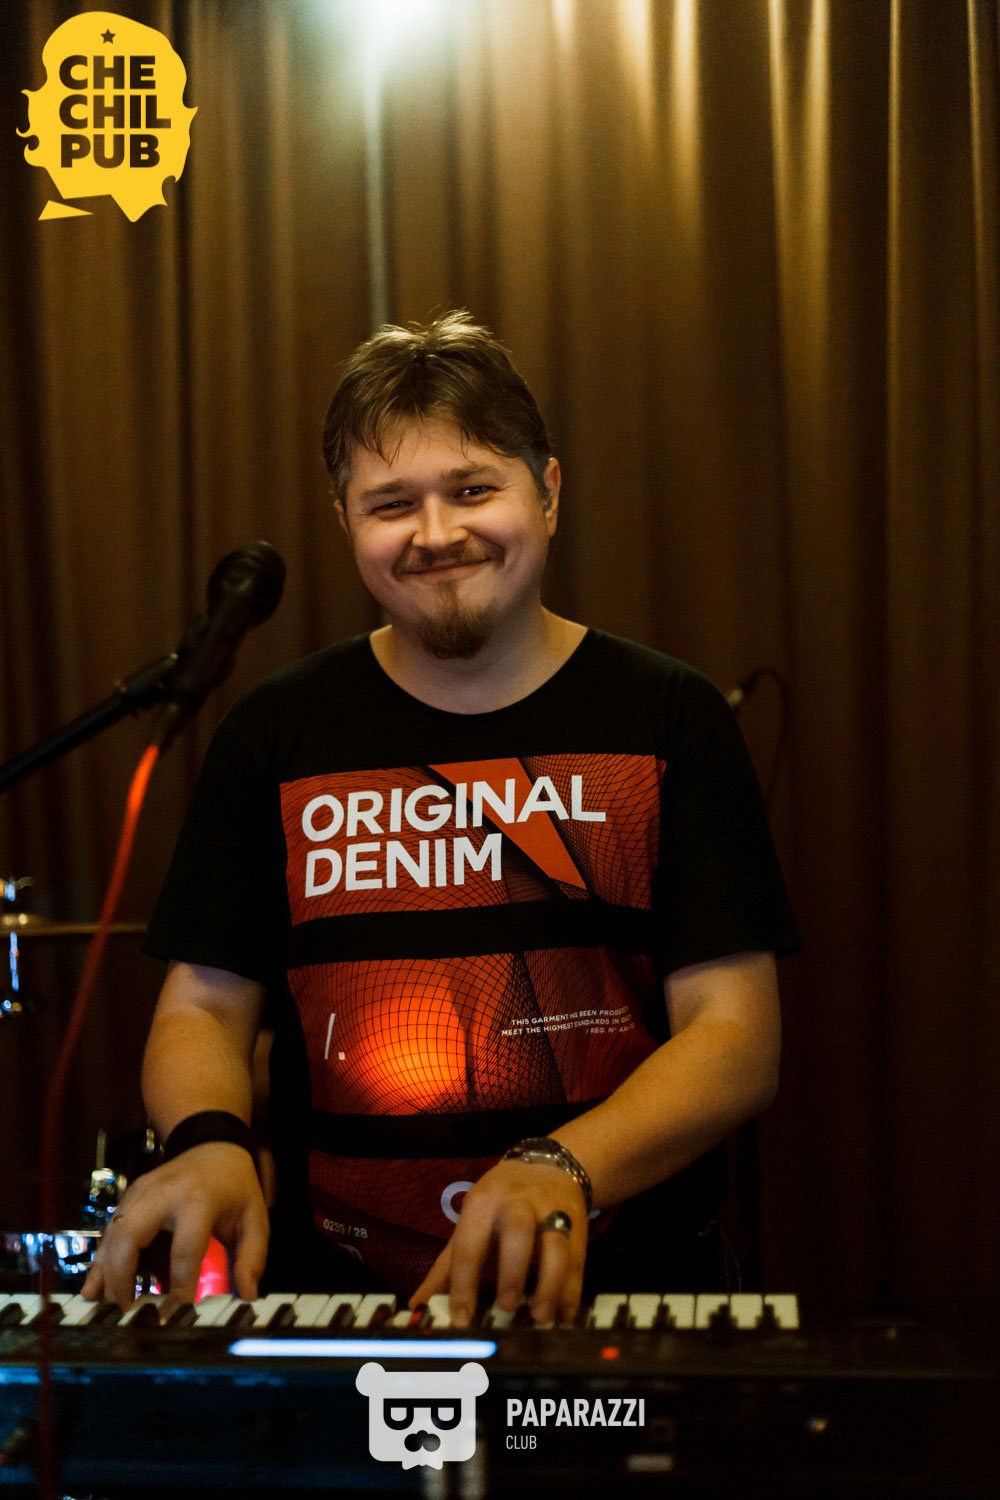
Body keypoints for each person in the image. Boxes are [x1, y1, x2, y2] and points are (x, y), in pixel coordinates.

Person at [83, 311, 799, 1327]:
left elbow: (735, 1034)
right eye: (391, 504)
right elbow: (202, 1005)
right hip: (336, 1309)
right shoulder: (275, 733)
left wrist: (565, 1163)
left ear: (548, 493)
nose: (434, 534)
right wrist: (208, 1140)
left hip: (624, 1300)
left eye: (472, 489)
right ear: (344, 521)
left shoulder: (668, 717)